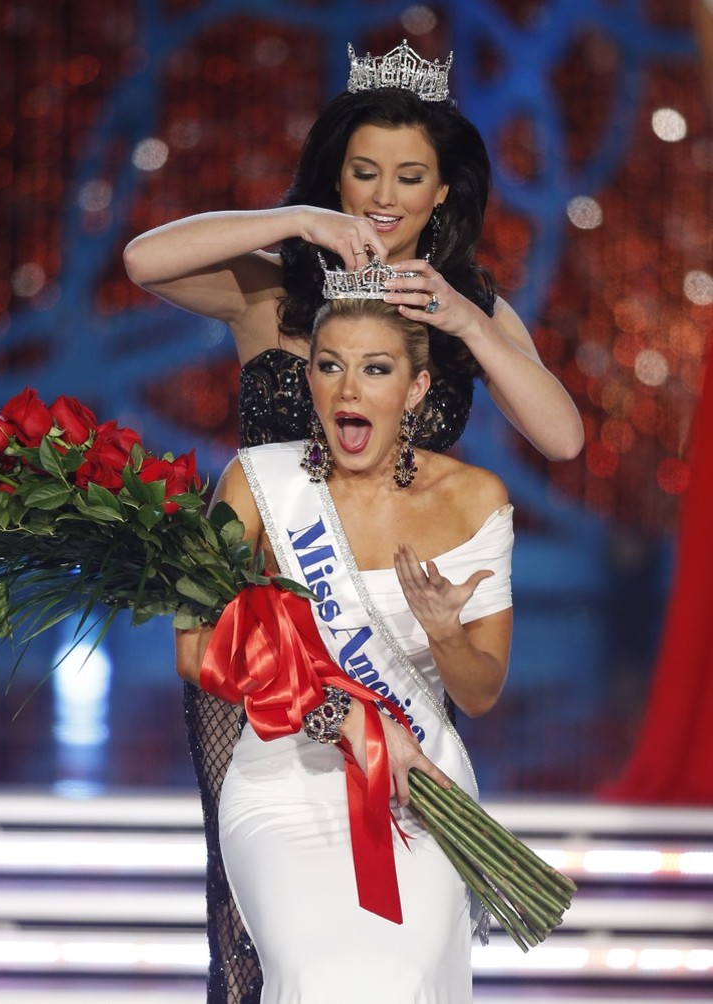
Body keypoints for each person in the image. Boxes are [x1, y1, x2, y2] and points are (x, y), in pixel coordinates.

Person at [124, 41, 580, 1000]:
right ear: (336, 173)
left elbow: (562, 436)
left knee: (400, 915)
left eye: (409, 177)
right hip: (261, 653)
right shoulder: (276, 290)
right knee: (246, 933)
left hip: (399, 647)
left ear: (445, 192)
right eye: (362, 171)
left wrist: (463, 321)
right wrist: (300, 221)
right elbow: (142, 259)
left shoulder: (468, 310)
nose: (384, 194)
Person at [175, 293, 514, 1002]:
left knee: (405, 973)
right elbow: (195, 649)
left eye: (376, 368)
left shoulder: (475, 498)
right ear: (310, 382)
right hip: (282, 778)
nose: (349, 388)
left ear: (416, 388)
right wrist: (344, 717)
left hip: (414, 779)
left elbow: (480, 693)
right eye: (330, 366)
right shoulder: (256, 483)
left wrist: (447, 634)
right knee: (315, 973)